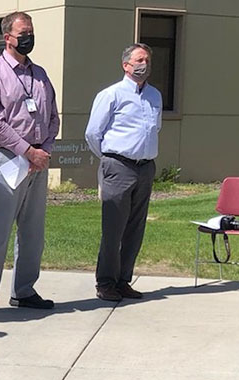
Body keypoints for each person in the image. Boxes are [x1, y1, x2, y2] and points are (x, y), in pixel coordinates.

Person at [0, 11, 60, 317]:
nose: (29, 38)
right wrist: (26, 151)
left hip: (37, 162)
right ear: (7, 37)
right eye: (23, 33)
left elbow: (53, 117)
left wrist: (43, 150)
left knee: (33, 231)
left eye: (31, 32)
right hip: (7, 160)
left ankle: (24, 290)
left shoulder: (41, 74)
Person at [84, 43, 162, 302]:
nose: (144, 65)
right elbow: (93, 133)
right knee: (113, 229)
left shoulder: (155, 96)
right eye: (139, 60)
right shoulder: (111, 95)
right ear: (126, 65)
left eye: (147, 60)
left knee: (135, 228)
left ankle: (123, 280)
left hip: (145, 167)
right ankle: (105, 282)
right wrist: (109, 158)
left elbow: (155, 129)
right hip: (118, 165)